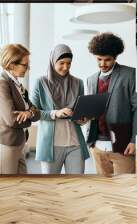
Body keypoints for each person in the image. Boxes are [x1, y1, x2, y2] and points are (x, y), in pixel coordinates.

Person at [31, 44, 90, 174]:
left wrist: (82, 118)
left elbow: (80, 109)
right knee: (51, 187)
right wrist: (55, 113)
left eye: (69, 63)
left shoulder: (78, 83)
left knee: (76, 185)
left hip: (75, 144)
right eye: (61, 63)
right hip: (50, 145)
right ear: (53, 61)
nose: (65, 67)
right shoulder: (41, 83)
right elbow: (33, 113)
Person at [85, 32, 137, 176]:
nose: (102, 64)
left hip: (123, 146)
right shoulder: (90, 80)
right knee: (105, 191)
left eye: (107, 60)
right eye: (99, 59)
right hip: (97, 147)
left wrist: (134, 140)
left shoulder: (130, 74)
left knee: (126, 190)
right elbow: (92, 112)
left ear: (115, 57)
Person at [0, 43, 40, 174]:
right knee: (6, 191)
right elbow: (12, 119)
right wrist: (30, 115)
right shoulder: (1, 85)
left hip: (18, 145)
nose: (28, 68)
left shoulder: (18, 86)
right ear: (12, 65)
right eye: (25, 65)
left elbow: (37, 113)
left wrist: (28, 113)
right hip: (5, 146)